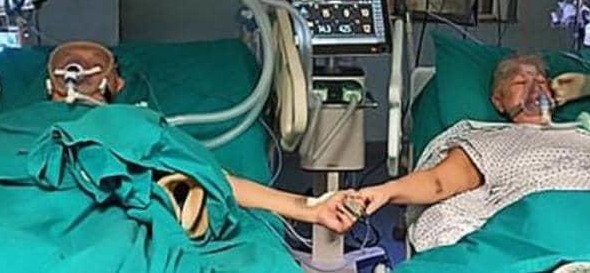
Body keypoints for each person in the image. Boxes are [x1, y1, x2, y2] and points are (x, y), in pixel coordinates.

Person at [354, 54, 590, 252]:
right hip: (537, 220)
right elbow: (439, 182)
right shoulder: (485, 138)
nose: (534, 88)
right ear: (498, 101)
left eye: (540, 81)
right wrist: (384, 191)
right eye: (519, 82)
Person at [46, 41, 360, 235]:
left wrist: (310, 208)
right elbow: (213, 177)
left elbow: (210, 177)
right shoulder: (128, 121)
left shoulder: (131, 122)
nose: (79, 69)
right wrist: (309, 208)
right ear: (116, 84)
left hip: (74, 223)